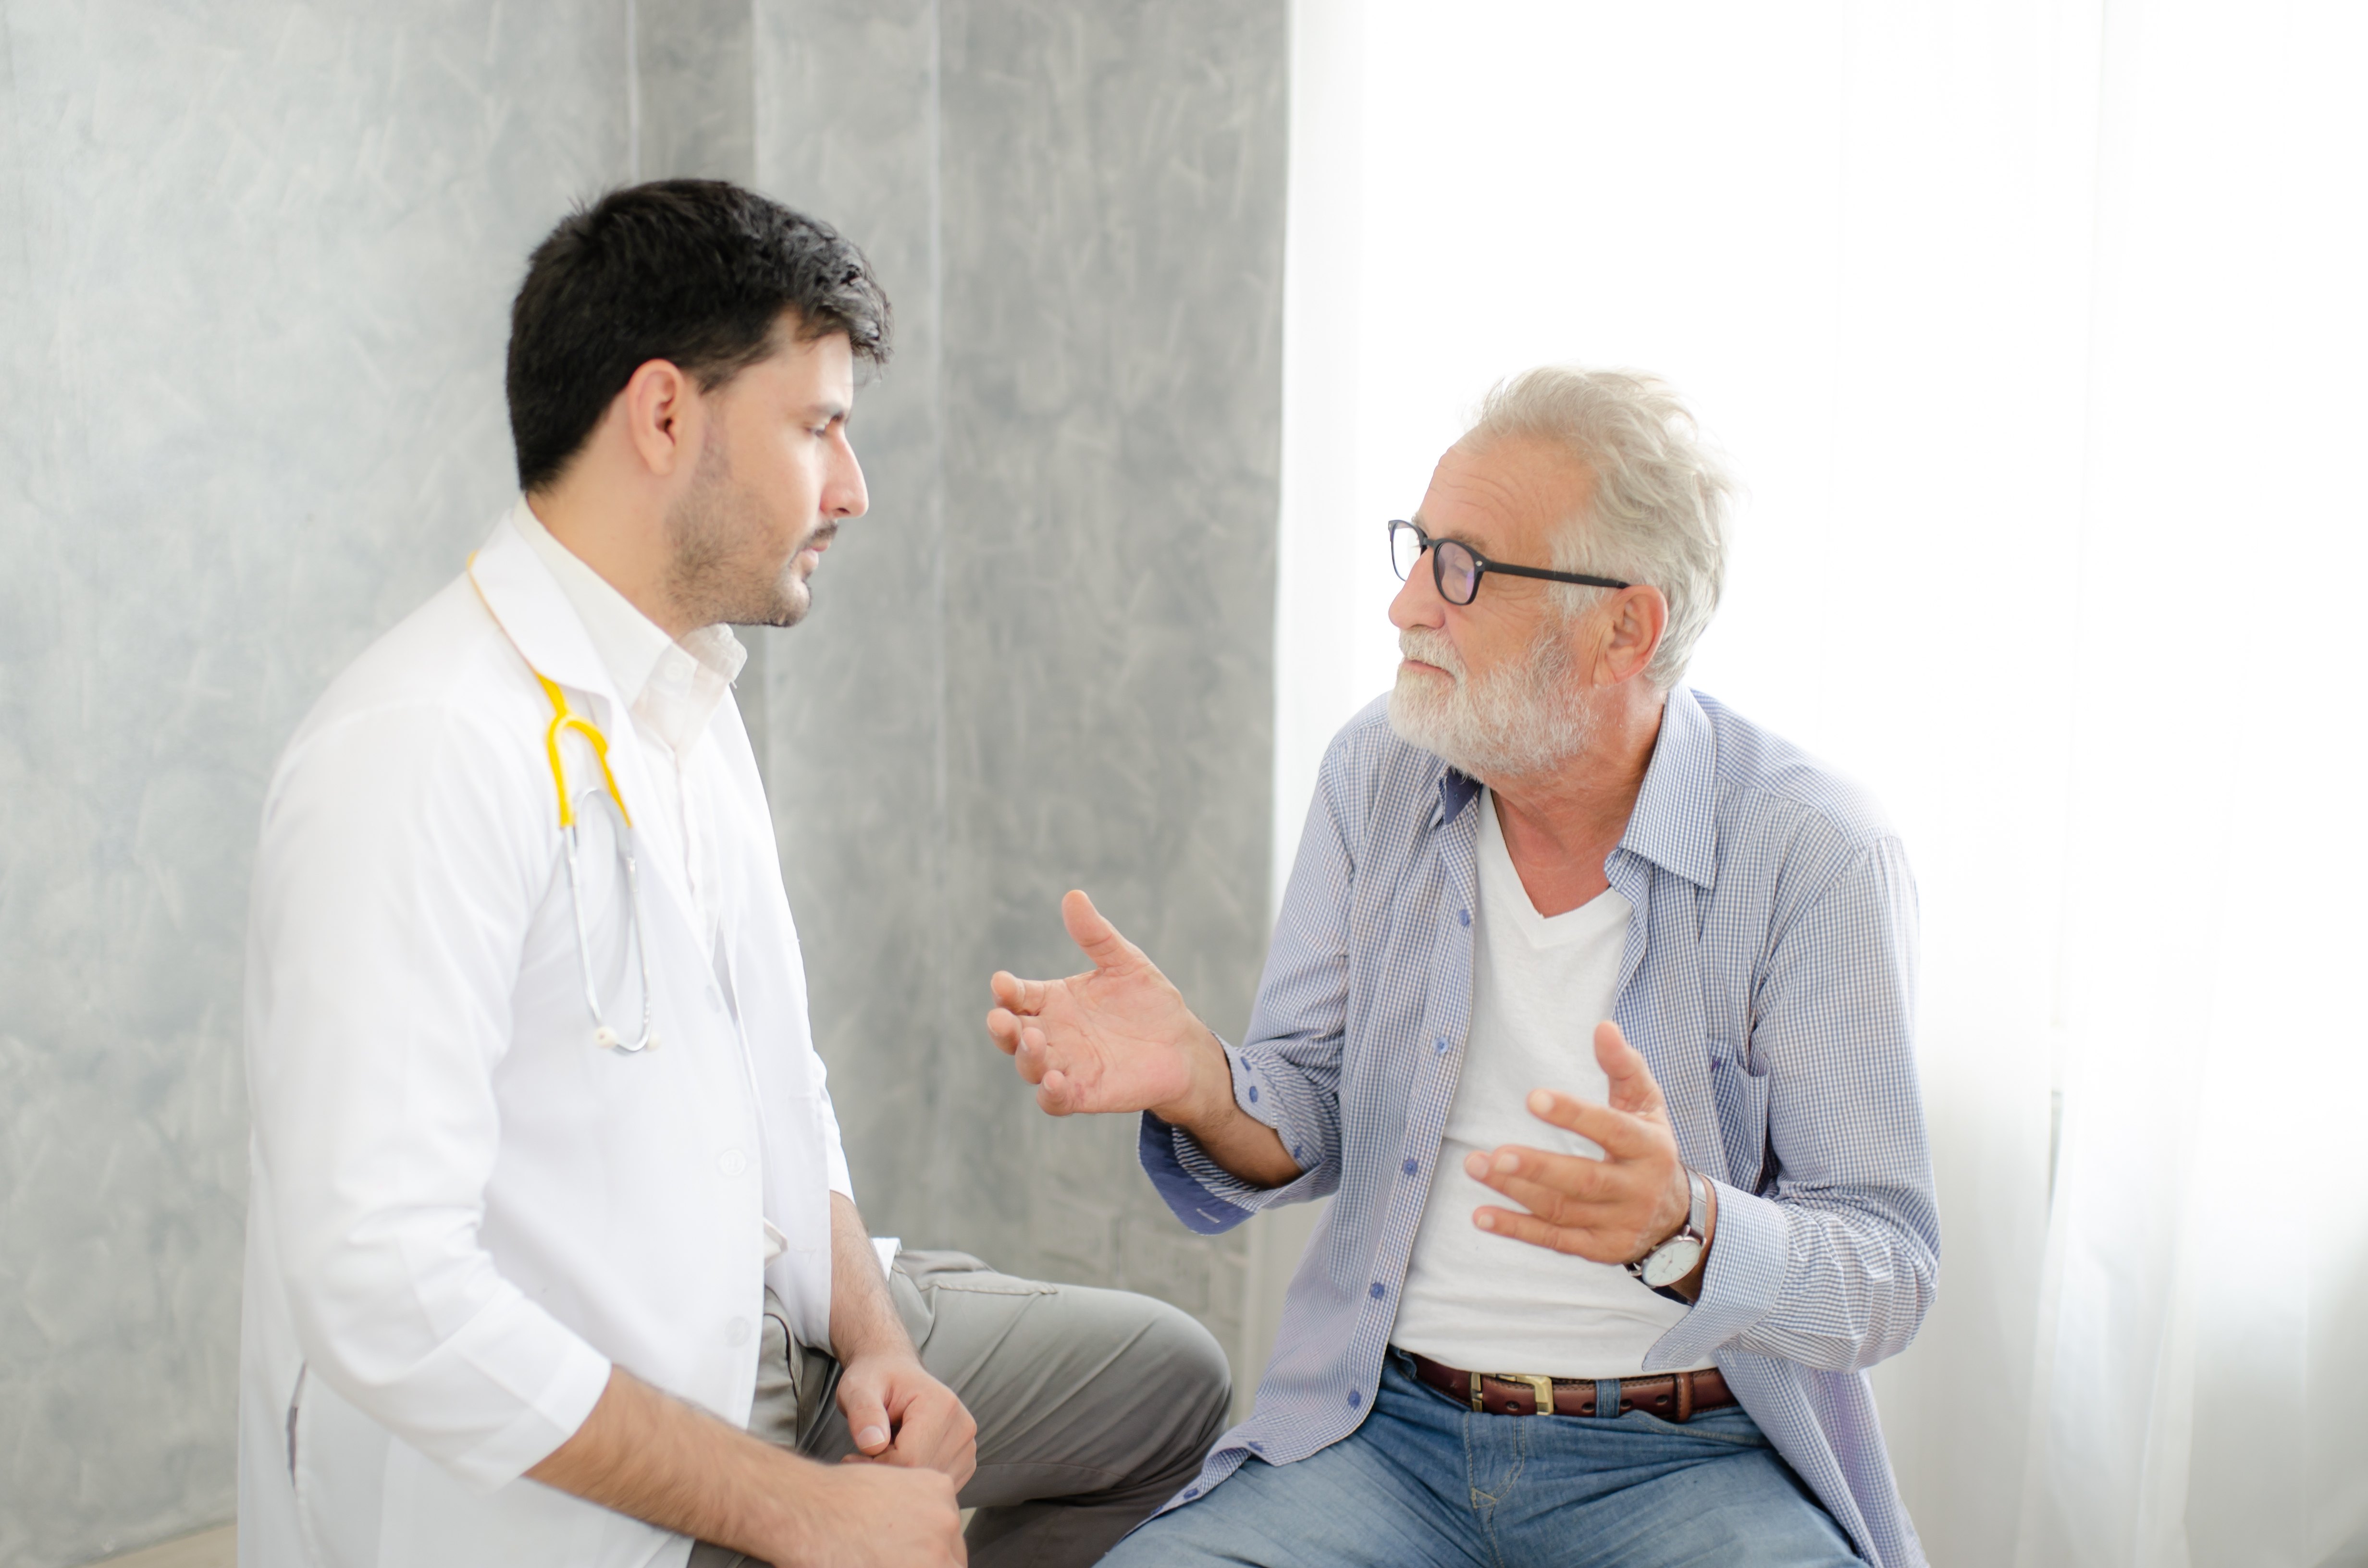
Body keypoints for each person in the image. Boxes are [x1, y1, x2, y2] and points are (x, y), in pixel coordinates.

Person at [236, 180, 1229, 1568]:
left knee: (1168, 1387)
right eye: (818, 426)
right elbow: (382, 1288)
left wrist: (878, 1344)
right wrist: (802, 1512)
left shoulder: (684, 696)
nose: (854, 488)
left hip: (773, 1332)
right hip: (579, 1464)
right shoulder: (421, 749)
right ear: (663, 416)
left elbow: (780, 1086)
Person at [987, 367, 1938, 1568]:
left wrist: (1684, 1226)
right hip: (1385, 1439)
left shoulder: (1813, 852)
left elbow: (1888, 1270)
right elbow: (1316, 1113)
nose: (1403, 607)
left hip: (1694, 1460)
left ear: (1622, 629)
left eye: (1462, 570)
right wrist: (1200, 1082)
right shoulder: (1376, 775)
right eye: (1417, 549)